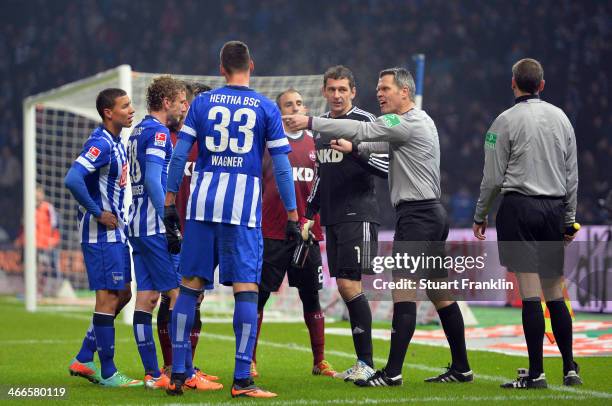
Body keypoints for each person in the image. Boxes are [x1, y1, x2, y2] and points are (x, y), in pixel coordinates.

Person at [284, 67, 473, 387]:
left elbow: (364, 131)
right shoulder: (421, 121)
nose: (380, 94)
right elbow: (371, 147)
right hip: (432, 214)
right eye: (378, 88)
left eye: (386, 88)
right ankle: (462, 367)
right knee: (439, 293)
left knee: (404, 294)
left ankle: (393, 372)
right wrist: (355, 151)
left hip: (416, 217)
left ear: (405, 92)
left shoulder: (404, 122)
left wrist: (311, 122)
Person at [163, 40, 298, 398]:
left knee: (189, 287)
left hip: (203, 206)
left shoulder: (202, 103)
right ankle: (242, 378)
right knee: (246, 291)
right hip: (241, 211)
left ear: (221, 68)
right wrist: (292, 214)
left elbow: (179, 156)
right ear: (251, 65)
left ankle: (178, 372)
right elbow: (282, 168)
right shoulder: (266, 107)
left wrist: (169, 200)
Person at [472, 58, 581, 389]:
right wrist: (569, 219)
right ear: (542, 85)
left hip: (519, 208)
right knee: (554, 292)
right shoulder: (562, 119)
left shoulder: (502, 122)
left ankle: (536, 374)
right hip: (554, 207)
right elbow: (572, 174)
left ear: (513, 83)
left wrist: (481, 214)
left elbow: (492, 178)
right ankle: (569, 369)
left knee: (531, 294)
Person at [304, 65, 388, 383]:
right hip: (334, 217)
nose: (337, 95)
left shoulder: (365, 122)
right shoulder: (322, 127)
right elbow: (322, 175)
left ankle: (366, 362)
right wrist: (310, 212)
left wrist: (353, 151)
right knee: (344, 286)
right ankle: (362, 362)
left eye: (343, 89)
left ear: (353, 92)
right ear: (324, 92)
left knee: (351, 285)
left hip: (360, 213)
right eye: (332, 89)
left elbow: (384, 165)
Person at [252, 88, 336, 378]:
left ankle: (320, 360)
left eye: (299, 103)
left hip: (307, 233)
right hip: (271, 232)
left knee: (311, 297)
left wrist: (316, 221)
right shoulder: (266, 144)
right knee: (259, 297)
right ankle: (249, 360)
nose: (295, 108)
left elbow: (324, 186)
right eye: (289, 104)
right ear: (278, 111)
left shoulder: (316, 144)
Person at [64, 88, 142, 387]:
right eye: (125, 106)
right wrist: (97, 212)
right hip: (101, 235)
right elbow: (73, 178)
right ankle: (108, 372)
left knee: (123, 294)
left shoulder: (116, 142)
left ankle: (84, 357)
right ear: (109, 112)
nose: (131, 109)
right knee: (108, 298)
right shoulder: (100, 143)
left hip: (116, 234)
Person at [156, 81, 219, 382]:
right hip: (172, 230)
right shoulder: (169, 139)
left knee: (195, 299)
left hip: (199, 229)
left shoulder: (208, 143)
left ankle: (188, 365)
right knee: (173, 297)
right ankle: (172, 366)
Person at [15, 185, 62, 296]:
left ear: (42, 194)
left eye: (39, 193)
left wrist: (53, 240)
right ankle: (28, 290)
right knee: (26, 267)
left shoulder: (48, 208)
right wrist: (20, 239)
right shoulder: (28, 207)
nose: (37, 195)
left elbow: (55, 226)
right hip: (29, 243)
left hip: (43, 244)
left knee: (41, 268)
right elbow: (23, 226)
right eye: (35, 192)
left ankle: (39, 291)